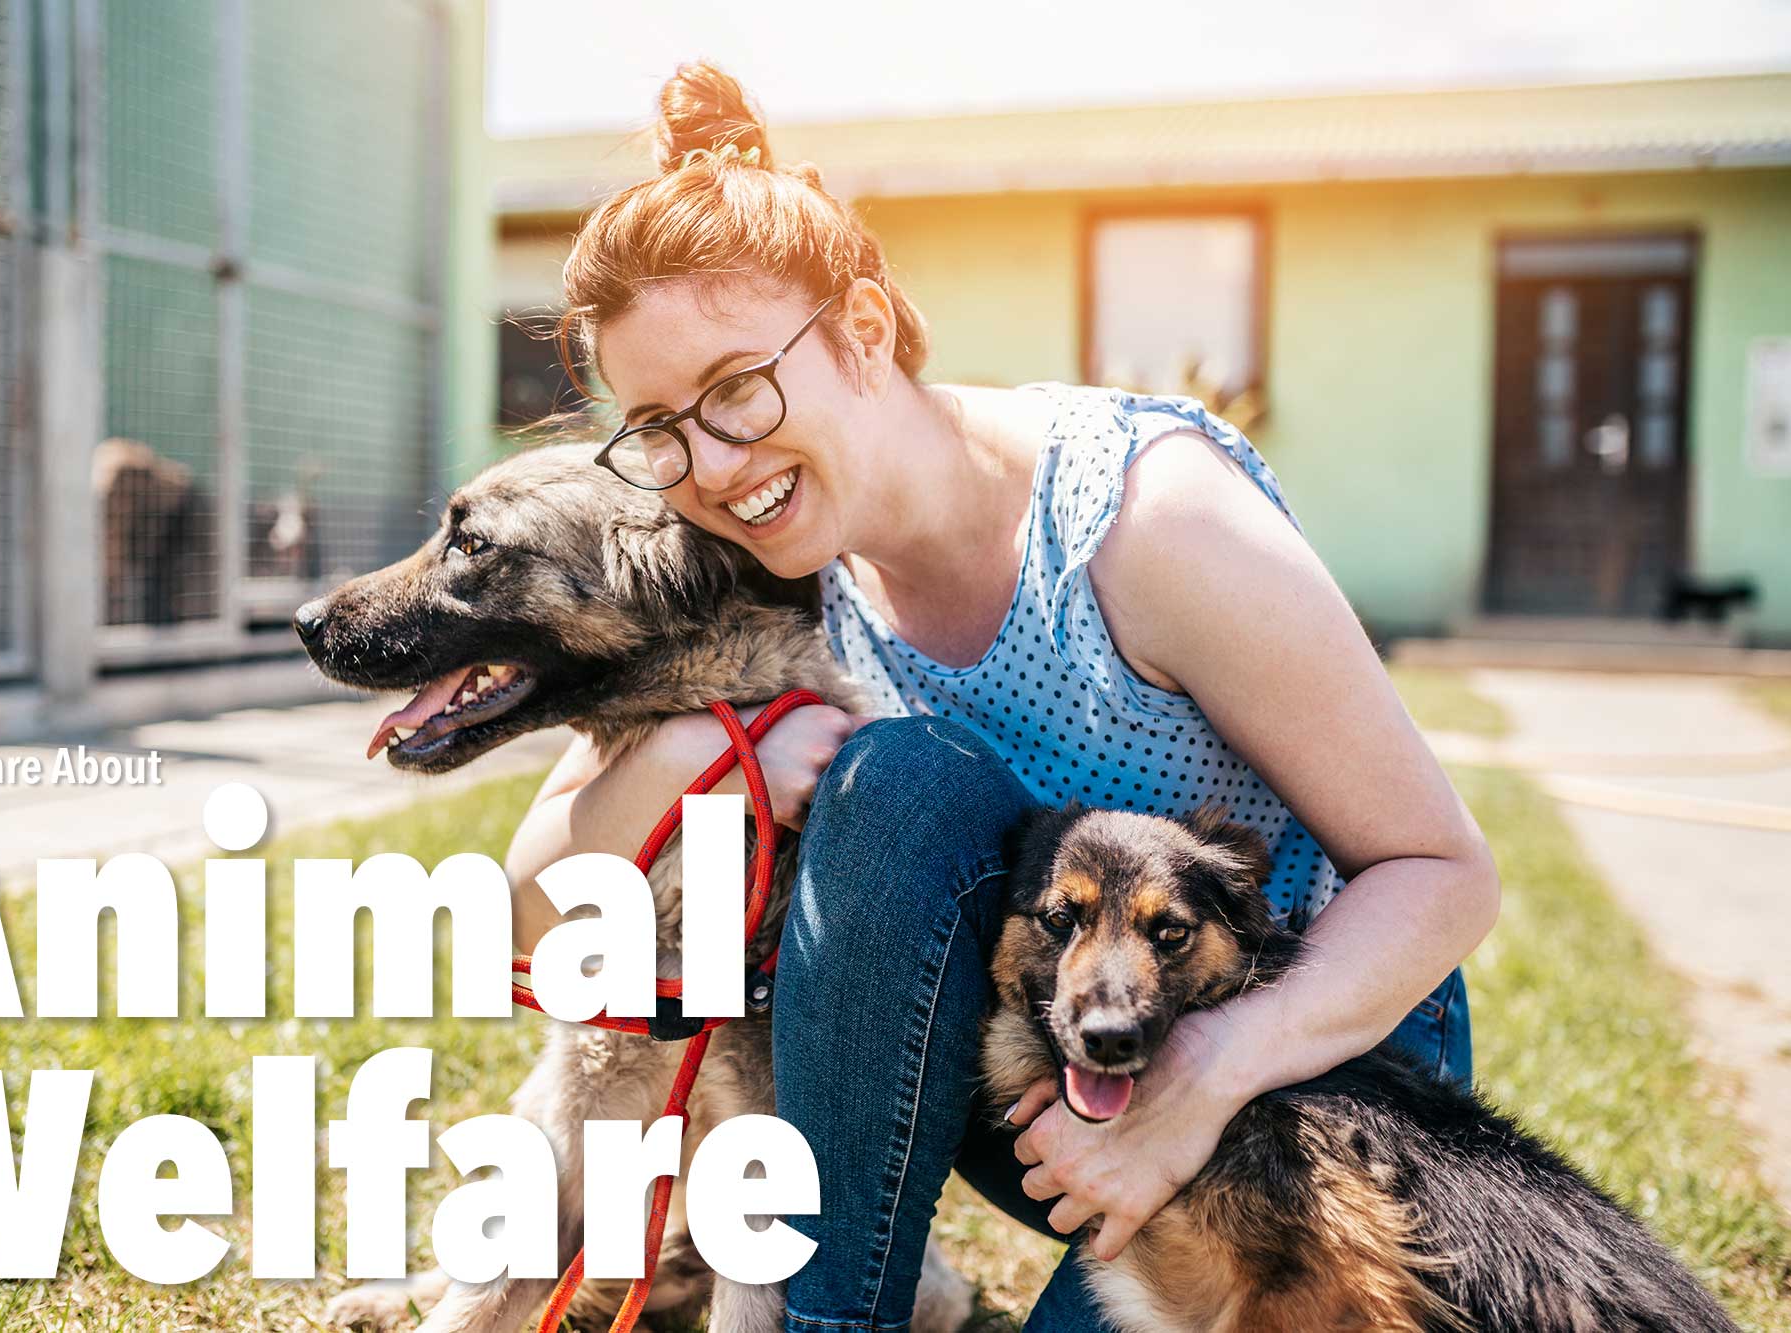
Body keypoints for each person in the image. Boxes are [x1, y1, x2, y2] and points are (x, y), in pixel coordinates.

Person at [503, 63, 1499, 1332]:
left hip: (1302, 1080)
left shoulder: (1149, 521)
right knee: (900, 785)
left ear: (861, 330)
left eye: (736, 390)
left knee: (897, 773)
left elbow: (1440, 870)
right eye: (656, 426)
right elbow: (542, 894)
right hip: (1055, 1081)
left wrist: (1200, 1080)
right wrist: (704, 749)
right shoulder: (781, 556)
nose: (707, 463)